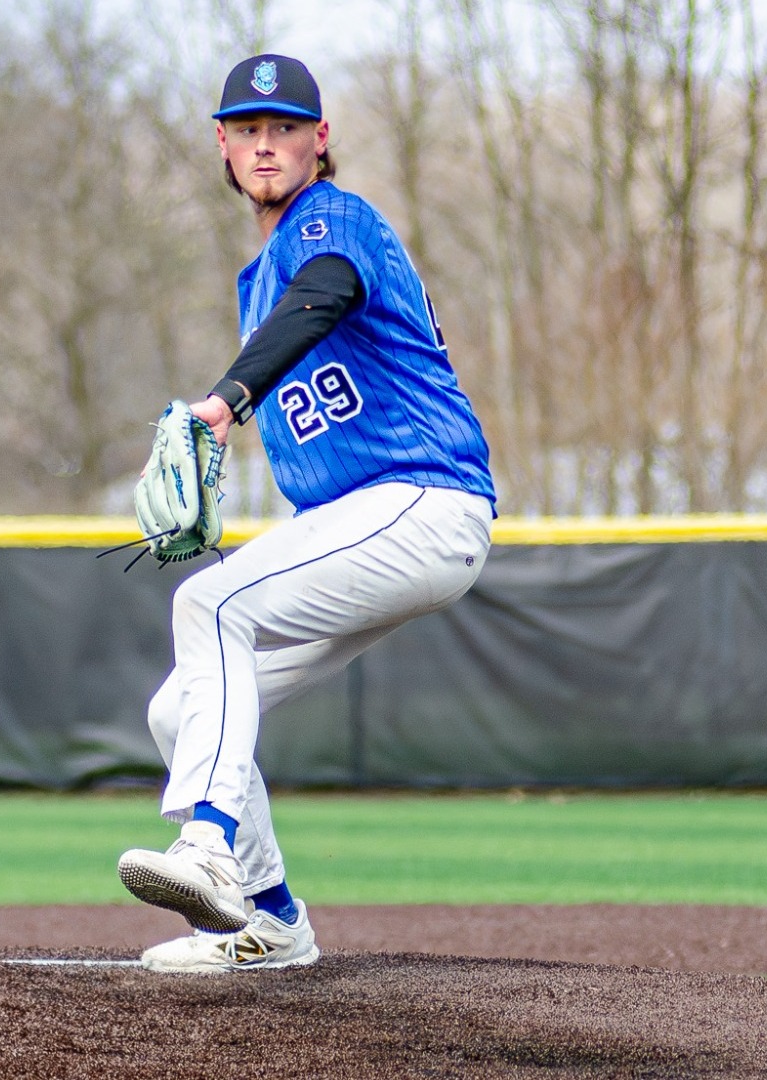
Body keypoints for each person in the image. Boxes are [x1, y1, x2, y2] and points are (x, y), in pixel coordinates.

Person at [116, 55, 496, 973]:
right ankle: (274, 921)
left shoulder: (333, 220)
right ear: (223, 145)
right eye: (247, 130)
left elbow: (326, 293)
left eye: (284, 127)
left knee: (209, 606)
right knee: (181, 711)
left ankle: (205, 848)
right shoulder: (257, 287)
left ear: (318, 140)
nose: (265, 145)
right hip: (370, 522)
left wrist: (223, 400)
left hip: (423, 496)